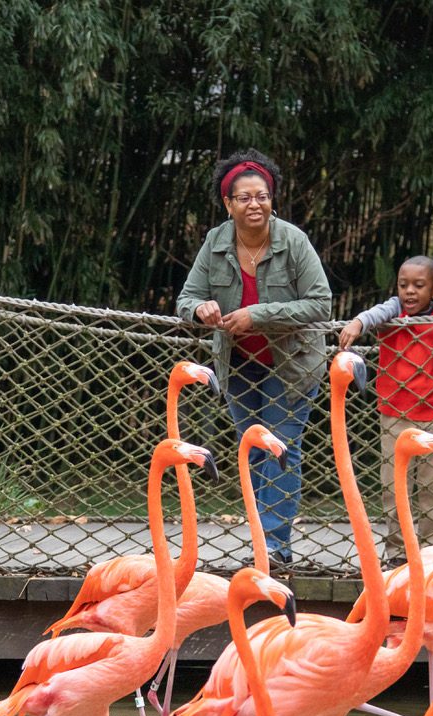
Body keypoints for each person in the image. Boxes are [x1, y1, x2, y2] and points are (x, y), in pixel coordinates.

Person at [177, 148, 332, 567]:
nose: (254, 205)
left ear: (272, 199)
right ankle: (266, 544)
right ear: (228, 204)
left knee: (280, 448)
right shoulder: (215, 242)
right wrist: (200, 310)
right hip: (239, 364)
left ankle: (274, 550)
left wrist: (257, 315)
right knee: (255, 450)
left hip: (293, 362)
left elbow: (322, 304)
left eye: (261, 196)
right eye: (244, 198)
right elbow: (186, 298)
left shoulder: (293, 241)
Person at [339, 256, 433, 566]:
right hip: (394, 415)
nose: (409, 292)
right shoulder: (393, 311)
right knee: (394, 488)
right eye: (403, 284)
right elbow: (376, 312)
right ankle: (397, 555)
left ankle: (430, 553)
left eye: (418, 286)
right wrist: (358, 322)